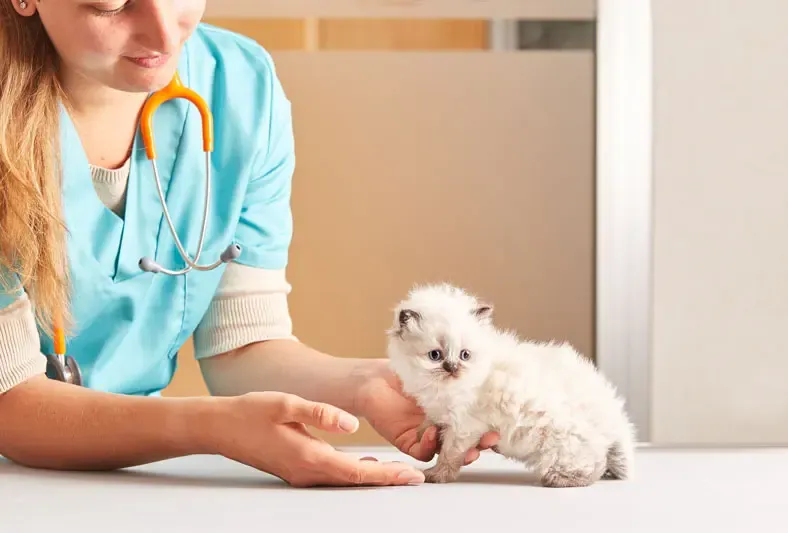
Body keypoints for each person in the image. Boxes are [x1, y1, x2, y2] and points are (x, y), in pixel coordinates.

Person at [0, 0, 498, 487]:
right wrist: (215, 427)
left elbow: (241, 343)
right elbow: (11, 404)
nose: (166, 34)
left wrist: (365, 386)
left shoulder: (238, 85)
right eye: (111, 6)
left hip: (120, 486)